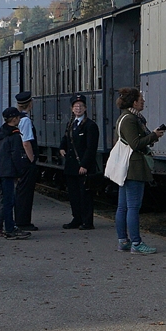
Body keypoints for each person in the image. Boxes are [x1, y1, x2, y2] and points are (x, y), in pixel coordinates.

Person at [113, 87, 164, 254]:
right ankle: (136, 243)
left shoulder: (127, 117)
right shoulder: (130, 119)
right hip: (133, 166)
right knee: (132, 207)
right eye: (140, 98)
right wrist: (154, 136)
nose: (143, 101)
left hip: (126, 166)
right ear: (134, 101)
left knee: (123, 206)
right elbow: (135, 144)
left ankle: (123, 241)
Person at [59, 94, 100, 230]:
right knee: (74, 194)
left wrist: (84, 165)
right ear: (72, 109)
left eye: (81, 106)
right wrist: (61, 148)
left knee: (85, 194)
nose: (78, 108)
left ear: (85, 108)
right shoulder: (71, 124)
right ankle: (76, 218)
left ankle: (87, 221)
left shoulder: (90, 125)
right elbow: (66, 139)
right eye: (76, 106)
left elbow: (91, 148)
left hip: (83, 166)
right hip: (71, 166)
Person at [0, 107, 31, 239]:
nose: (19, 119)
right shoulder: (14, 135)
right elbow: (16, 155)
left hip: (1, 170)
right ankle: (9, 229)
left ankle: (0, 228)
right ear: (14, 119)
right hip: (9, 171)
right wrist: (20, 172)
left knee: (6, 201)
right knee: (9, 201)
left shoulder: (1, 132)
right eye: (18, 117)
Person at [12, 91, 39, 231]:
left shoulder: (16, 119)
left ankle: (20, 219)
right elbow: (26, 142)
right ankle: (23, 222)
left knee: (20, 190)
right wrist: (32, 159)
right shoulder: (26, 120)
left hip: (18, 159)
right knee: (25, 192)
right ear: (30, 104)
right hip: (26, 160)